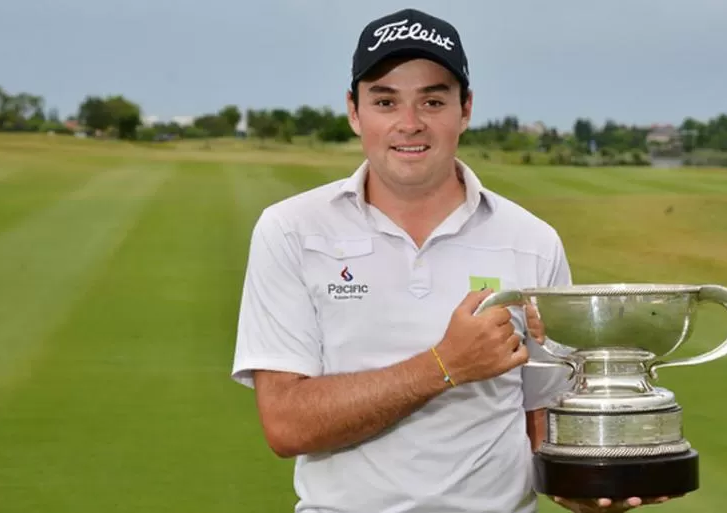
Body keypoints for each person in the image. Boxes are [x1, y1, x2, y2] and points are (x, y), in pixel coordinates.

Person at [231, 7, 678, 513]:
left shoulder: (531, 241)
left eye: (433, 100)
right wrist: (445, 365)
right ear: (354, 111)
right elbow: (286, 424)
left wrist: (592, 487)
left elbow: (541, 419)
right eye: (385, 100)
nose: (409, 124)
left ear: (465, 109)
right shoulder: (292, 229)